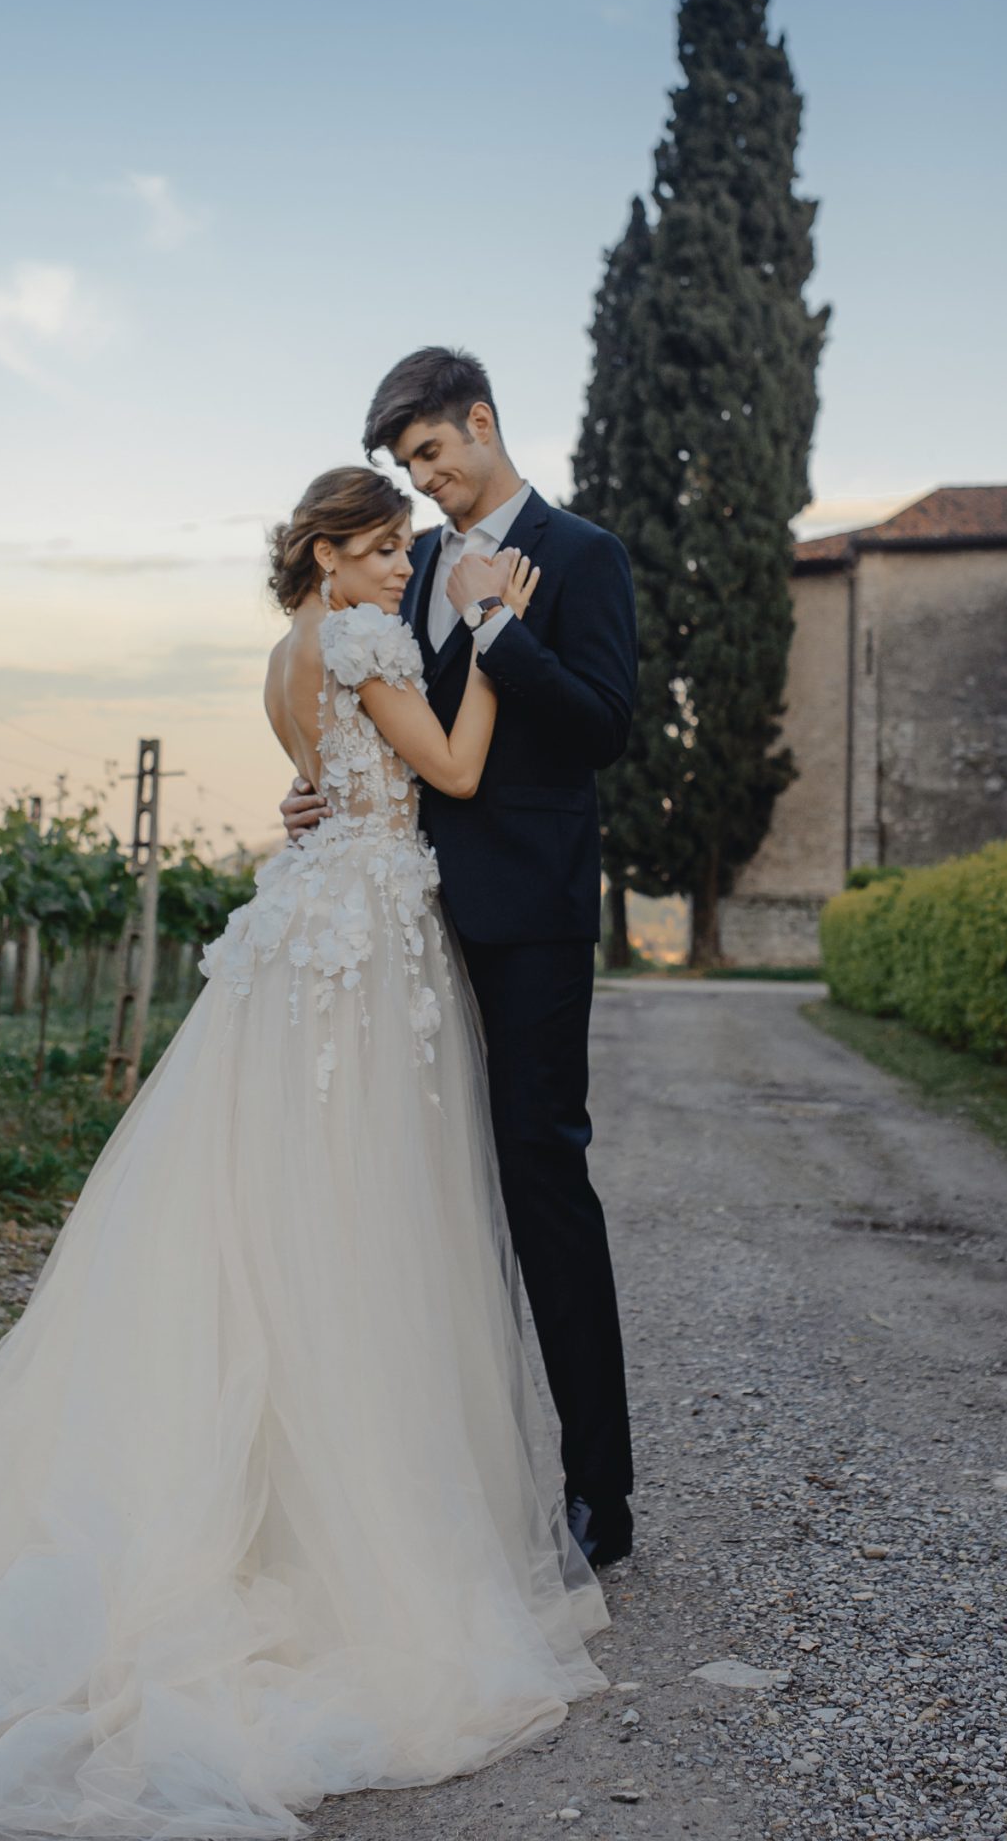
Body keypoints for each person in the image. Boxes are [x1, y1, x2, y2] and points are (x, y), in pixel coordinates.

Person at [0, 466, 608, 1840]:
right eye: (382, 548)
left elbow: (316, 781)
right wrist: (491, 635)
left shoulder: (284, 651)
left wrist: (343, 781)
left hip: (306, 919)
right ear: (326, 554)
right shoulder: (369, 637)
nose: (403, 567)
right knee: (357, 1209)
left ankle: (281, 1491)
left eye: (405, 549)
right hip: (364, 941)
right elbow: (454, 771)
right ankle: (340, 1526)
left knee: (277, 1196)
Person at [281, 347, 637, 1570]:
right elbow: (377, 721)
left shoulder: (583, 555)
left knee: (542, 1178)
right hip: (404, 919)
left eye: (431, 452)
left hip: (528, 912)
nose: (424, 480)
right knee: (417, 1188)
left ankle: (599, 1490)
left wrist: (496, 624)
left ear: (480, 421)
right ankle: (451, 1482)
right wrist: (318, 796)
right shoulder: (405, 561)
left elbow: (603, 724)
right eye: (407, 463)